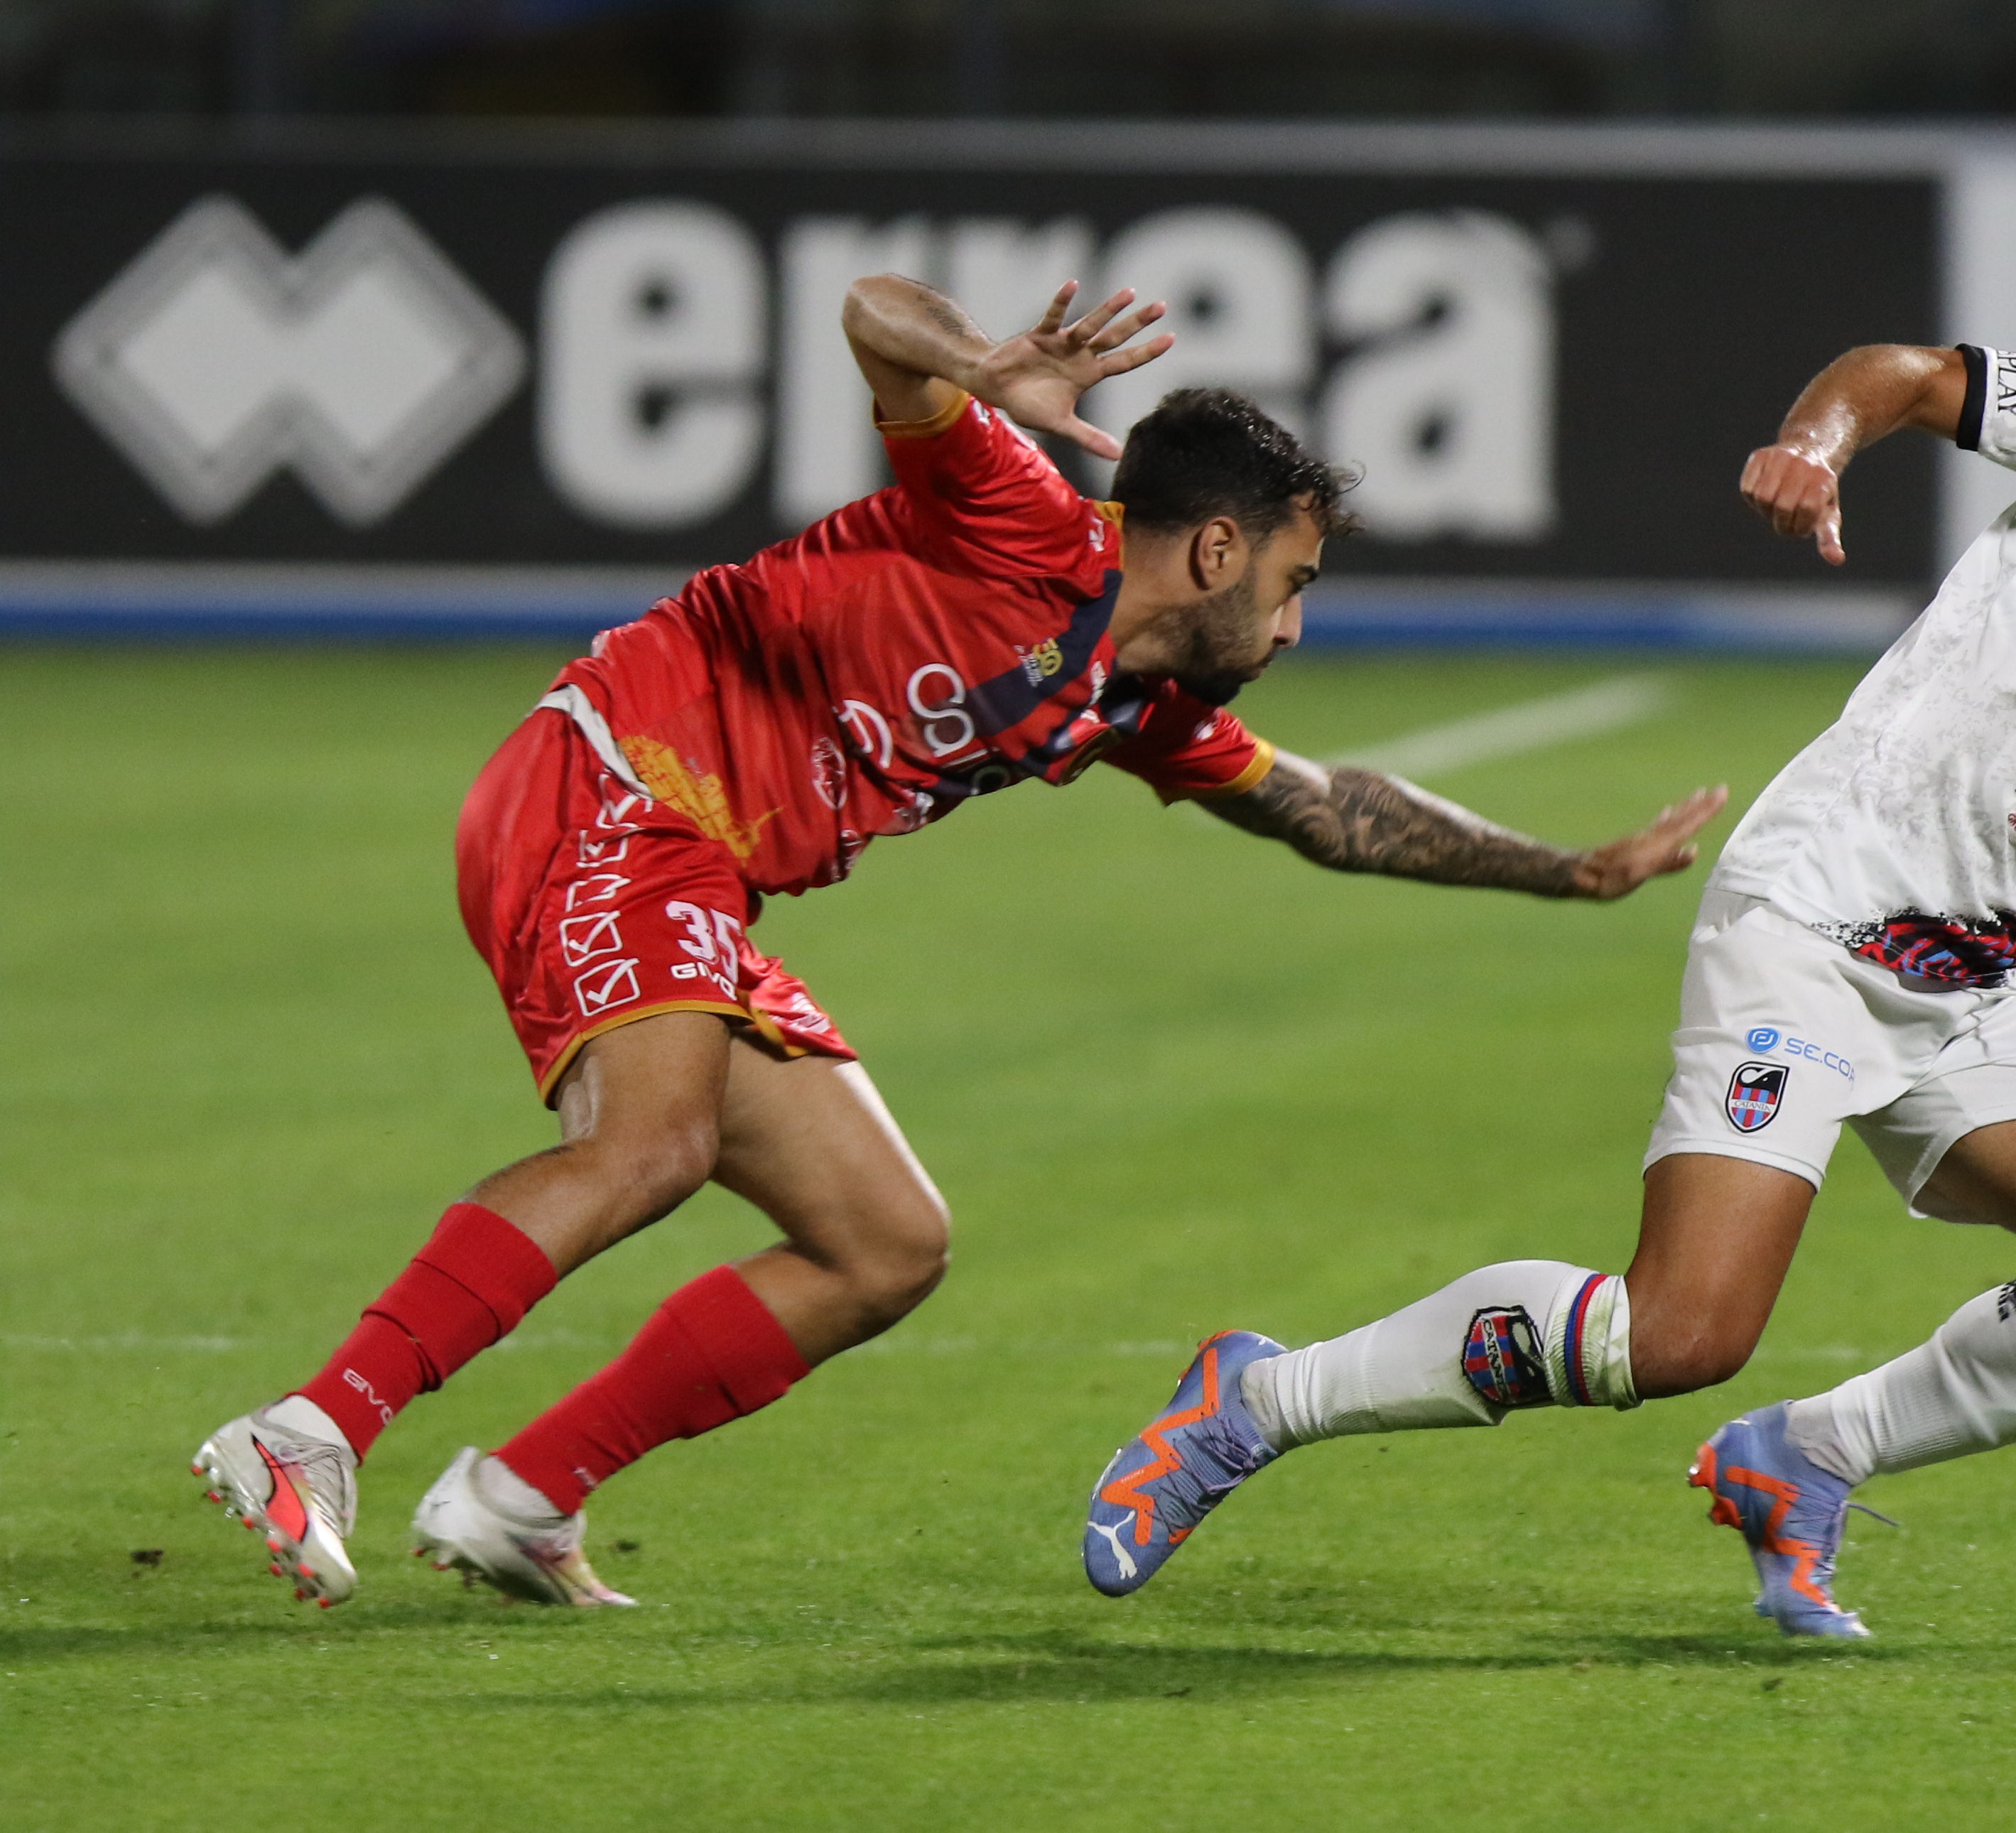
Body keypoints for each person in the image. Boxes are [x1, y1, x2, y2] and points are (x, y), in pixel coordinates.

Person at [193, 274, 1725, 1608]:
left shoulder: (1136, 701)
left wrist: (1569, 873)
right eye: (1293, 582)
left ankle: (524, 1496)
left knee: (885, 1242)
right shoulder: (1015, 516)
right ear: (1210, 551)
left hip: (701, 877)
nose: (1297, 627)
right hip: (614, 780)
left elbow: (1327, 811)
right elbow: (873, 317)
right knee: (649, 1145)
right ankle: (312, 1425)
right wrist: (983, 366)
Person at [1082, 301, 2016, 1636]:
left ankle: (1807, 1460)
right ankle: (1258, 1400)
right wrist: (1814, 442)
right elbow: (1903, 377)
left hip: (1983, 989)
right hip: (1820, 911)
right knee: (1683, 1329)